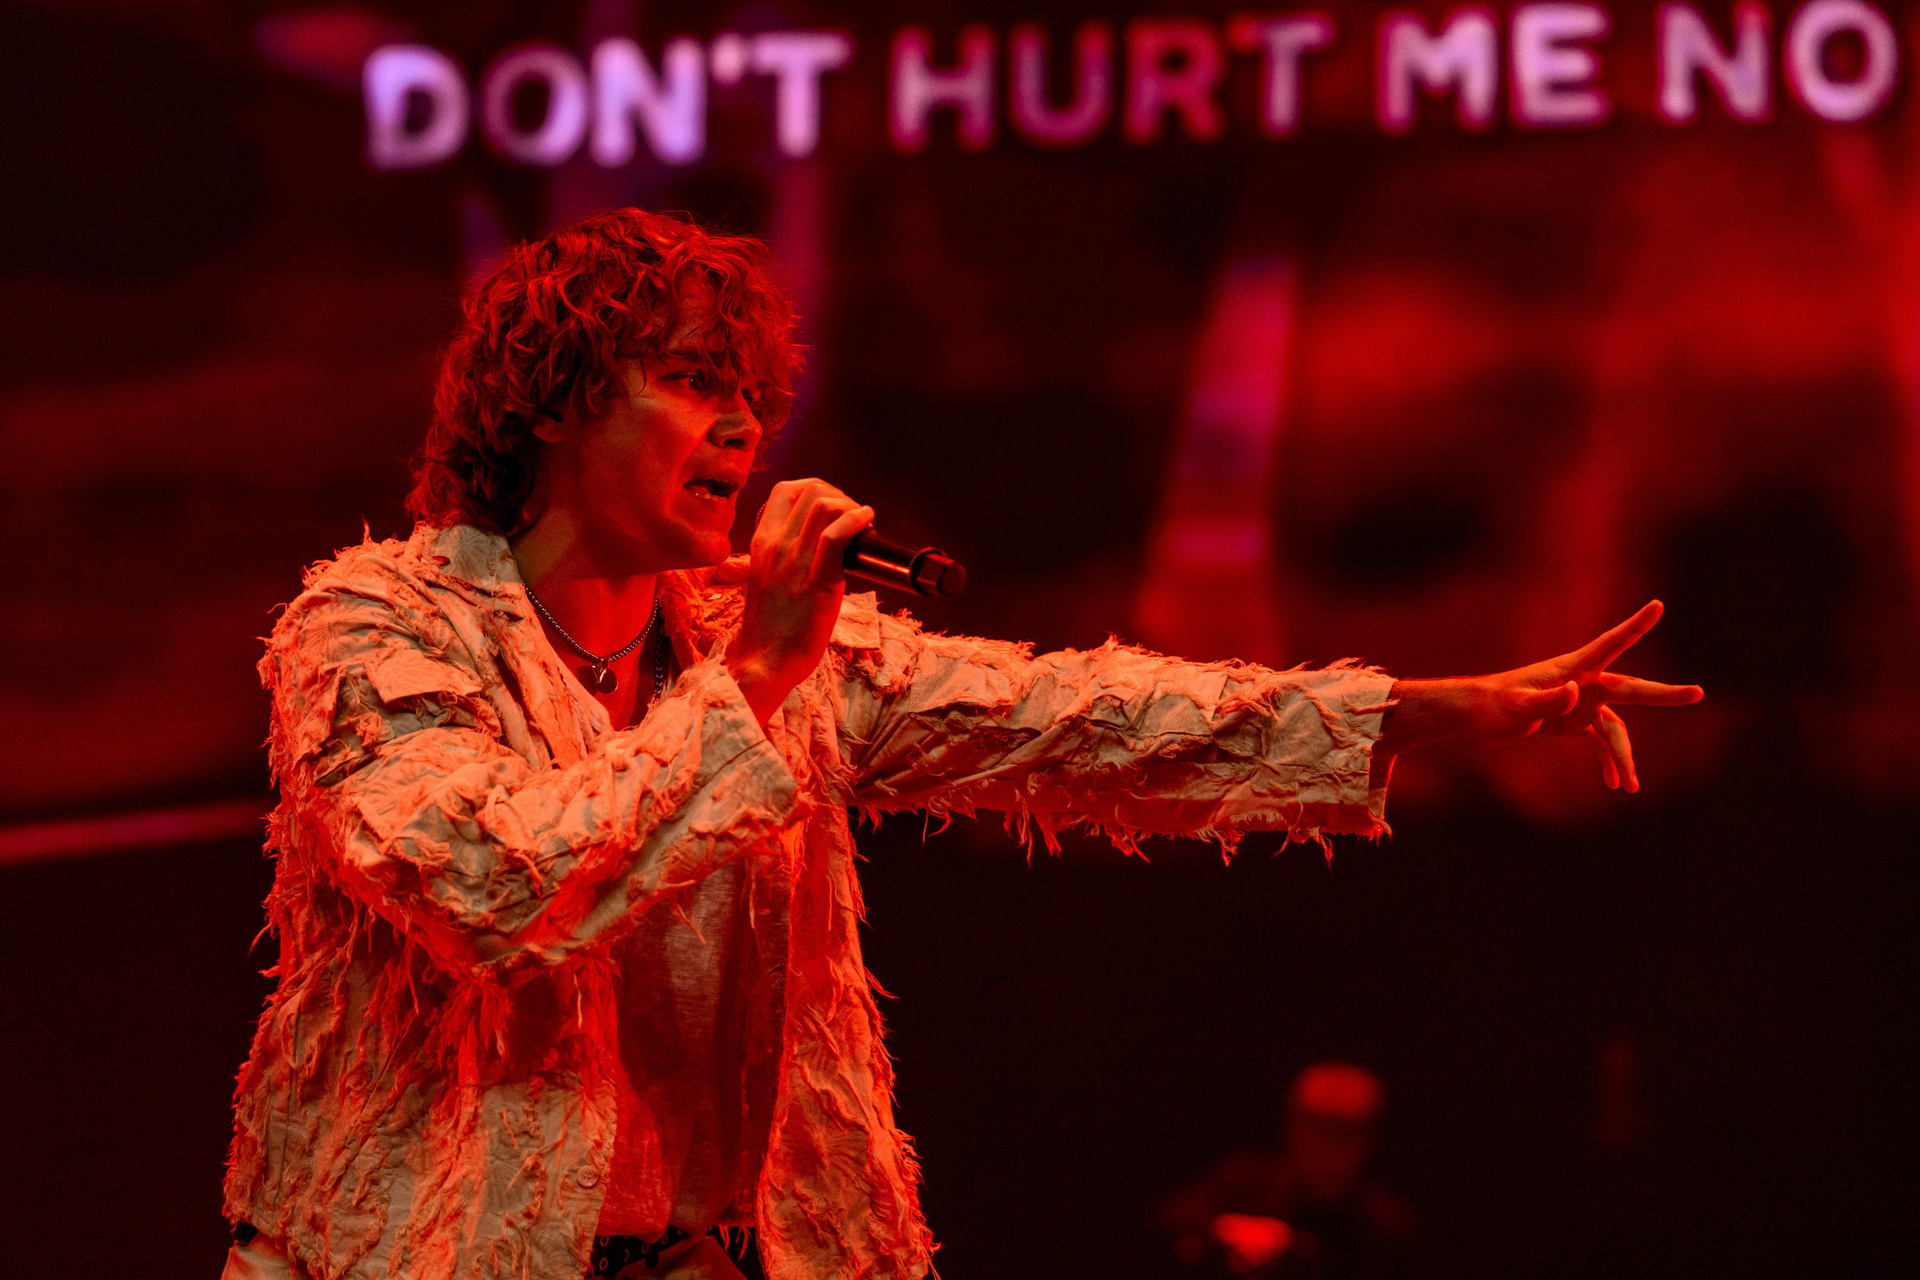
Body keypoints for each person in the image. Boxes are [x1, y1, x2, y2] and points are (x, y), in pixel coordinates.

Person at [219, 208, 1701, 1280]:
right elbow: (492, 889)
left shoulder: (764, 639)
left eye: (750, 396)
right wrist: (757, 674)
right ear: (552, 402)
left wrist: (1429, 709)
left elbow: (1094, 719)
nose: (739, 426)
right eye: (690, 380)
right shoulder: (377, 626)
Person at [1158, 1062, 1416, 1279]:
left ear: (1368, 1143)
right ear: (1291, 1129)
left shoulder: (1386, 1227)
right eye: (1315, 1131)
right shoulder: (1247, 1180)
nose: (1325, 1149)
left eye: (1342, 1136)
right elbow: (1164, 1223)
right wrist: (1236, 1230)